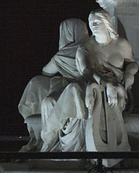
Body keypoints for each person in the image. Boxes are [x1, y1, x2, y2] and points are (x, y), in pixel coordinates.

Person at [40, 9, 138, 155]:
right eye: (91, 23)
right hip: (92, 83)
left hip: (117, 87)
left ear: (107, 23)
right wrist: (107, 83)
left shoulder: (122, 44)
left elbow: (132, 63)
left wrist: (130, 73)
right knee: (75, 90)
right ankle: (53, 136)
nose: (93, 25)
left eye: (97, 22)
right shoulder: (86, 47)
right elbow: (88, 71)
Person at [18, 18, 89, 151]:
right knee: (50, 101)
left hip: (75, 89)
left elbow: (46, 71)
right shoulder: (91, 48)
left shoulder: (62, 55)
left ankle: (49, 143)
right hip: (85, 89)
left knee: (48, 101)